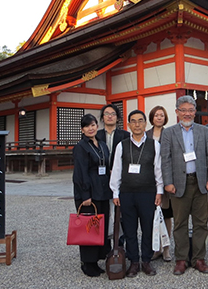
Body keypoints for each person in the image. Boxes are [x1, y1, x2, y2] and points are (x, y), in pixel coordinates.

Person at [160, 95, 208, 275]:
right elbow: (166, 160)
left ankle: (199, 258)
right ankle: (181, 259)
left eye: (191, 110)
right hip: (178, 184)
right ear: (177, 112)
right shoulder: (168, 133)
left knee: (201, 223)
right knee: (180, 223)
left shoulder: (203, 131)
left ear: (195, 112)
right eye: (183, 110)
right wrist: (167, 182)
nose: (187, 114)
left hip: (200, 182)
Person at [110, 110, 163, 277]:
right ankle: (134, 261)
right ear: (128, 124)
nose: (137, 124)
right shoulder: (122, 145)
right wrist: (115, 192)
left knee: (148, 228)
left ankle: (146, 261)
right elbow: (117, 170)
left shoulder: (154, 145)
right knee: (130, 229)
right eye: (133, 121)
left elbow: (158, 170)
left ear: (145, 123)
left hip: (148, 193)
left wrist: (159, 191)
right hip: (127, 193)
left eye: (140, 121)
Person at [72, 114, 112, 277]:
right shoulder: (81, 147)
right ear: (82, 129)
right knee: (89, 228)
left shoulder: (102, 144)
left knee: (100, 227)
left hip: (103, 190)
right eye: (87, 126)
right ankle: (87, 263)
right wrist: (85, 195)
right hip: (89, 192)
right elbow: (80, 173)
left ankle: (96, 260)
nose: (91, 128)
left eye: (93, 125)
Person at [146, 105, 173, 262]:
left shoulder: (169, 133)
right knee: (151, 214)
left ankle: (167, 248)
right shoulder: (146, 134)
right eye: (156, 115)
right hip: (149, 179)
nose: (159, 118)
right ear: (152, 117)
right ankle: (155, 248)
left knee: (166, 214)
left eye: (162, 115)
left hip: (166, 176)